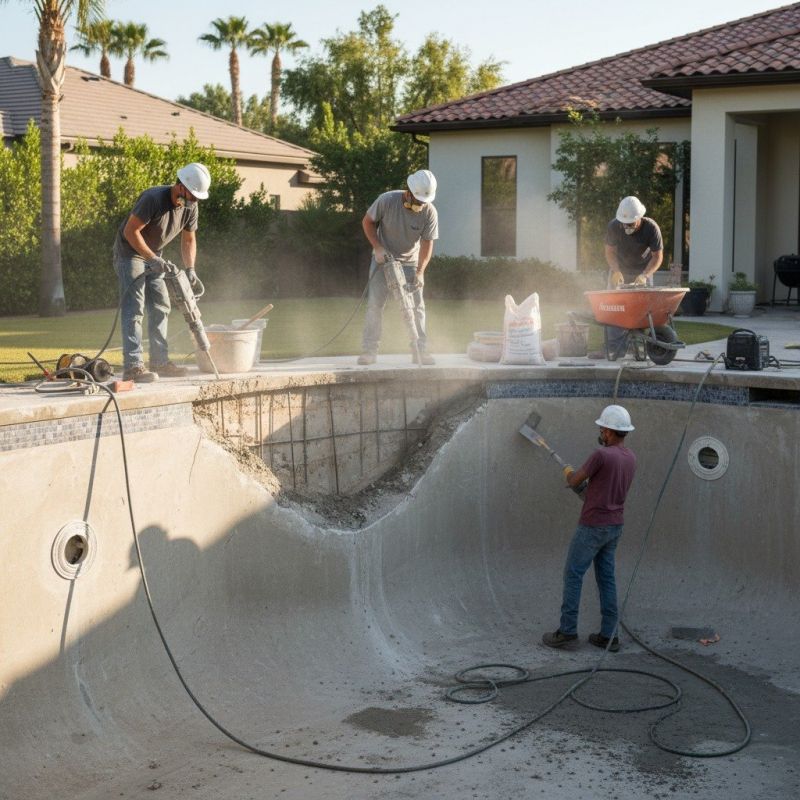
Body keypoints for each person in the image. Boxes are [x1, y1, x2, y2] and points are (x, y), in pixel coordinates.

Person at [542, 405, 637, 653]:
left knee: (573, 574)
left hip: (593, 525)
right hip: (615, 525)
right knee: (606, 579)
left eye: (601, 429)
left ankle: (567, 632)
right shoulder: (630, 458)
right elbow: (604, 487)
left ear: (608, 431)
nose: (600, 433)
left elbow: (575, 481)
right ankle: (609, 635)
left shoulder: (601, 455)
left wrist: (570, 473)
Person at [113, 163, 211, 382]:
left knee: (161, 305)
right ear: (181, 185)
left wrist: (190, 269)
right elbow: (131, 231)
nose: (194, 201)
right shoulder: (153, 199)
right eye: (192, 196)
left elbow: (189, 239)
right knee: (134, 306)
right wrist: (152, 258)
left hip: (154, 255)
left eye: (197, 198)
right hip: (129, 253)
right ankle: (133, 366)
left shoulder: (190, 207)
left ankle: (159, 361)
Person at [357, 169, 439, 366]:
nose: (420, 205)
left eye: (423, 202)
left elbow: (427, 243)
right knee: (375, 305)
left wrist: (420, 272)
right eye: (418, 201)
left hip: (410, 263)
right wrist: (377, 247)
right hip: (382, 260)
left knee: (417, 307)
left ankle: (420, 351)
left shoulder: (429, 212)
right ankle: (369, 351)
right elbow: (367, 222)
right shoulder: (387, 200)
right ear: (408, 191)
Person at [602, 196, 664, 359]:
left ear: (639, 218)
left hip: (643, 270)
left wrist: (645, 275)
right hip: (620, 269)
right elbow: (609, 252)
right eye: (624, 223)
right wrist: (615, 271)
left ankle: (640, 347)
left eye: (630, 224)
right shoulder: (614, 226)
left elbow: (657, 257)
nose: (626, 227)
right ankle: (615, 349)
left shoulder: (651, 228)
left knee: (643, 311)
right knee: (614, 308)